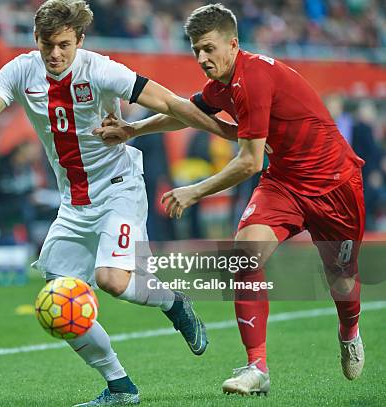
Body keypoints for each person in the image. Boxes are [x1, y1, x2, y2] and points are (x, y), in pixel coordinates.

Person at [0, 1, 237, 405]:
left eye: (63, 45)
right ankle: (119, 386)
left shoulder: (101, 70)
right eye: (47, 45)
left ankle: (175, 302)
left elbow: (171, 104)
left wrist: (229, 133)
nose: (55, 54)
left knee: (112, 280)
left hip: (118, 188)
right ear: (35, 40)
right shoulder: (20, 70)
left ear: (80, 41)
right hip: (73, 205)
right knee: (58, 300)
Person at [95, 3, 366, 397]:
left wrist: (194, 190)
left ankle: (349, 331)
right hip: (285, 183)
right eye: (195, 51)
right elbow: (186, 113)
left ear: (233, 43)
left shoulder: (254, 78)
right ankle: (257, 367)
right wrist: (133, 128)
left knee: (342, 280)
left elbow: (250, 161)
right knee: (244, 255)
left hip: (335, 185)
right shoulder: (223, 84)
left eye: (208, 48)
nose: (202, 59)